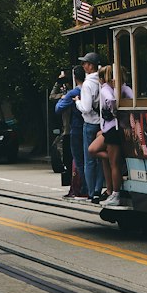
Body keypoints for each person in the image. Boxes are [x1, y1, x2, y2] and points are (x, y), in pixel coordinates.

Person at [91, 65, 126, 208]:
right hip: (110, 129)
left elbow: (111, 101)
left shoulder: (106, 89)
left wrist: (114, 112)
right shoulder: (121, 87)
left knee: (114, 164)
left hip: (112, 129)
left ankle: (115, 194)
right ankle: (112, 191)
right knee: (95, 150)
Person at [74, 51, 105, 203]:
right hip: (102, 124)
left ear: (91, 66)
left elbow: (86, 108)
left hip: (90, 124)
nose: (83, 65)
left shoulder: (87, 84)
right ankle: (99, 189)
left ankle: (91, 192)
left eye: (85, 63)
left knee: (90, 160)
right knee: (100, 159)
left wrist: (77, 102)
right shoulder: (101, 80)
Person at [54, 65, 87, 199]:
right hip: (90, 125)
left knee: (77, 160)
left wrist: (63, 98)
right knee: (89, 160)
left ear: (74, 77)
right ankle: (90, 187)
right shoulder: (90, 89)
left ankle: (81, 187)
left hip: (75, 128)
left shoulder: (73, 93)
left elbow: (58, 108)